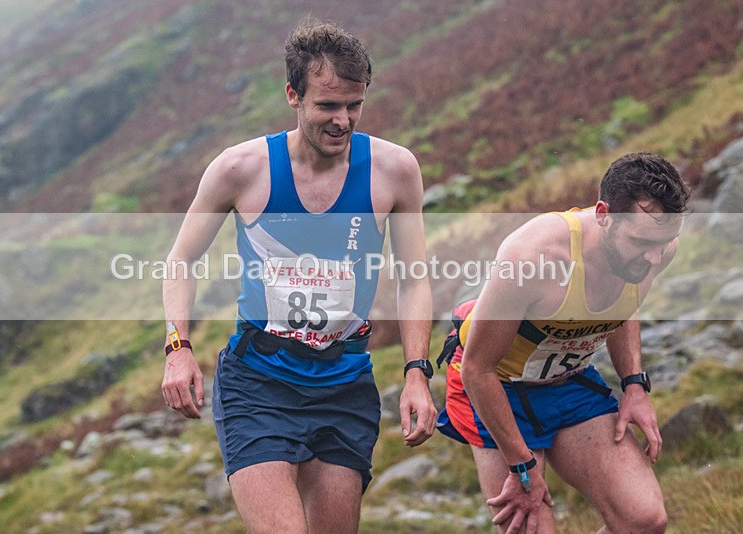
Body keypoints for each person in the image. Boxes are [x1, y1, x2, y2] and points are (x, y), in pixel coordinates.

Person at [161, 19, 436, 533]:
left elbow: (414, 277)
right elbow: (180, 260)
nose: (343, 120)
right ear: (293, 95)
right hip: (258, 383)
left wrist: (417, 372)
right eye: (327, 106)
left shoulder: (394, 170)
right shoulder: (240, 169)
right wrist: (178, 348)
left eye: (354, 105)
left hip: (344, 381)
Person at [437, 152, 690, 533]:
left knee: (645, 521)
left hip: (567, 381)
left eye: (664, 241)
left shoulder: (654, 250)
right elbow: (478, 369)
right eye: (642, 242)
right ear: (603, 214)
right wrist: (521, 467)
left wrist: (635, 385)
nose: (655, 258)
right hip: (496, 387)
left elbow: (622, 307)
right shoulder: (534, 257)